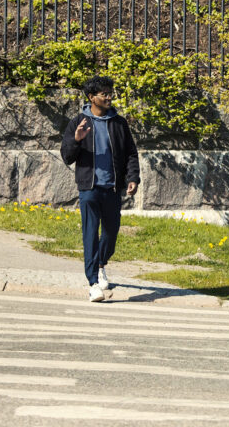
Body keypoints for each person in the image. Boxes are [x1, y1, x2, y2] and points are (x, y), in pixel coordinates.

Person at [60, 76, 140, 302]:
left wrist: (132, 177)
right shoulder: (78, 122)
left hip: (113, 188)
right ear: (91, 97)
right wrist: (76, 139)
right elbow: (67, 156)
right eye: (104, 93)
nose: (109, 97)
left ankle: (102, 263)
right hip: (89, 188)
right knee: (90, 235)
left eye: (110, 92)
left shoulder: (119, 123)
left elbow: (131, 153)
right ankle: (93, 283)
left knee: (111, 233)